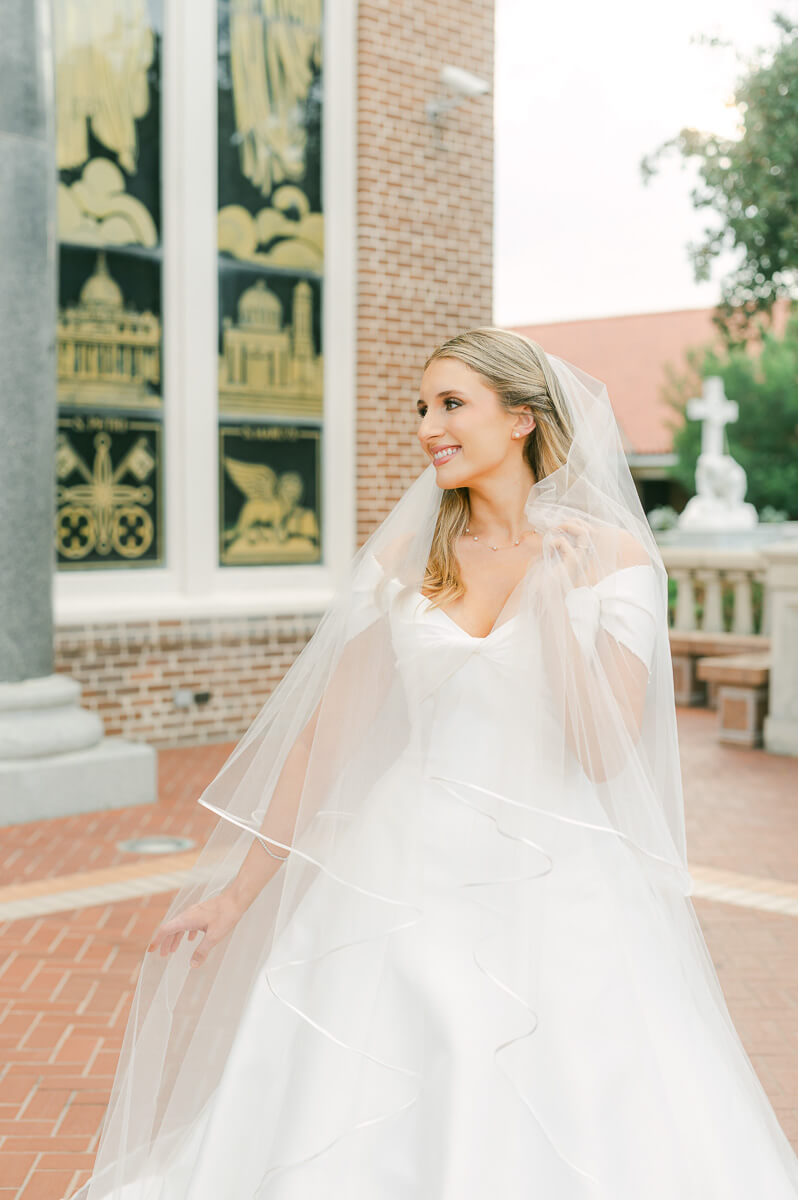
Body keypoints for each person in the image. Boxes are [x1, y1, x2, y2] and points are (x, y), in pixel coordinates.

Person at [70, 329, 798, 1199]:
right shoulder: (404, 561)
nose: (427, 427)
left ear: (522, 419)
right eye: (422, 406)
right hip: (397, 874)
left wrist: (559, 609)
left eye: (452, 404)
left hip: (561, 886)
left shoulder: (615, 561)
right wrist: (236, 892)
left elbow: (603, 755)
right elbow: (325, 738)